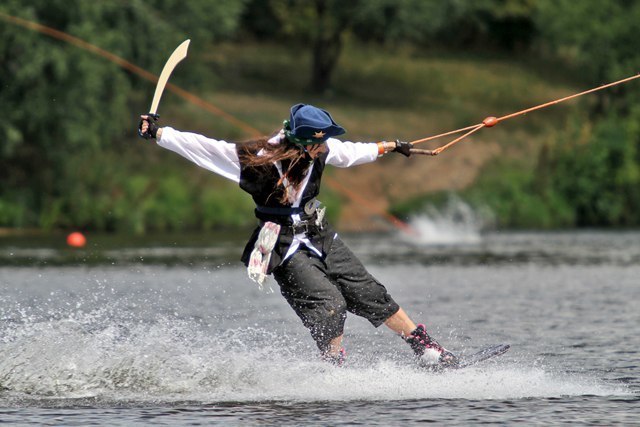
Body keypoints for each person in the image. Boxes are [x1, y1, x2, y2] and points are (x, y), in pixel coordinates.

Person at [138, 104, 458, 367]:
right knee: (330, 304)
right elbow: (201, 148)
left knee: (370, 292)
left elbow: (349, 153)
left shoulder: (321, 149)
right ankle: (332, 370)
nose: (324, 148)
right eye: (318, 144)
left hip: (317, 233)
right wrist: (159, 133)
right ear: (301, 143)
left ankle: (429, 352)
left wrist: (389, 146)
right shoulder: (256, 159)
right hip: (277, 241)